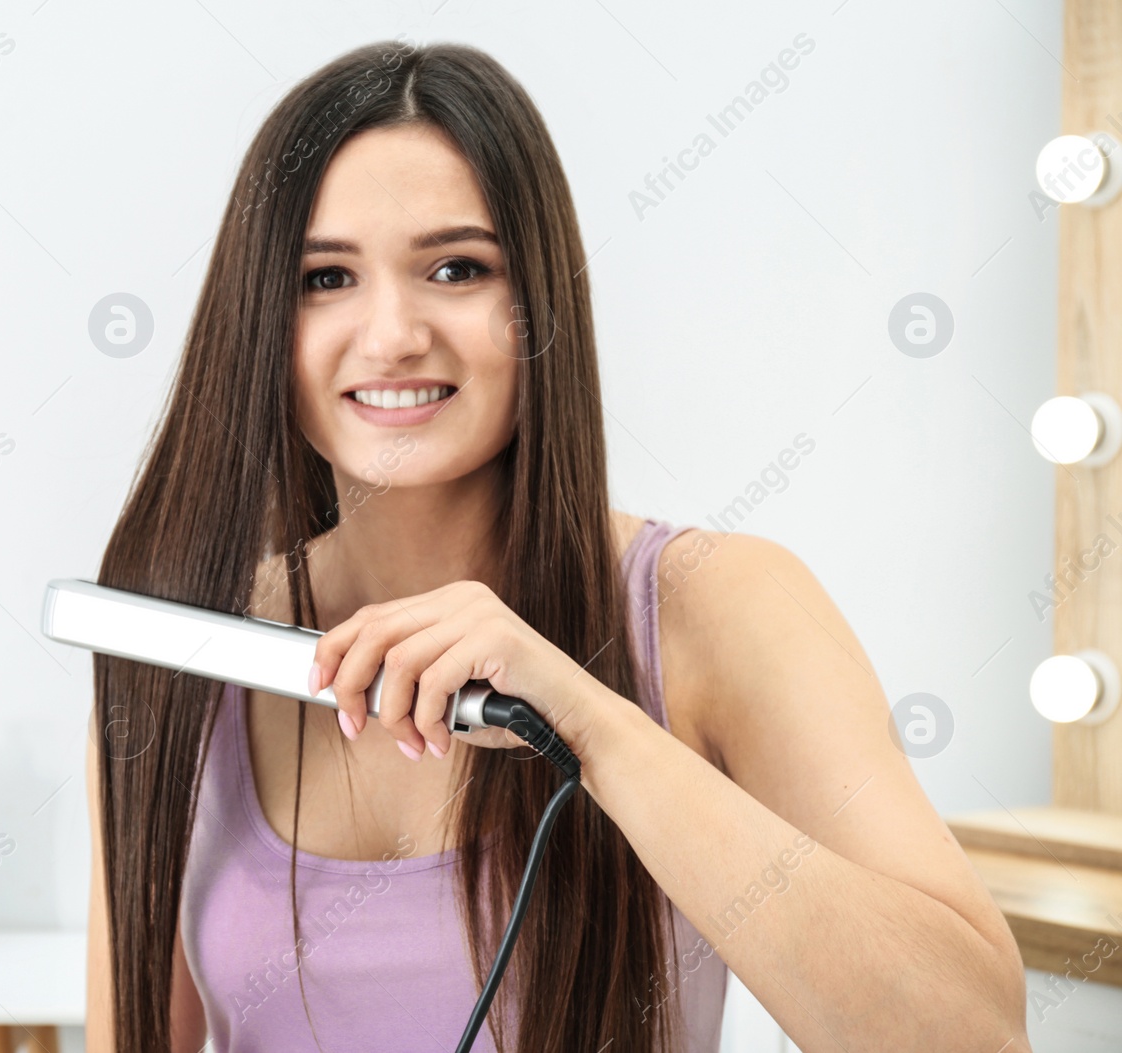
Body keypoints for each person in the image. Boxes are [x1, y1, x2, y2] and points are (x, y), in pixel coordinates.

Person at [85, 39, 1030, 1053]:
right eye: (325, 277)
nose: (393, 333)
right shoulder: (190, 647)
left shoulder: (721, 606)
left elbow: (969, 1034)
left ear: (539, 301)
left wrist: (592, 724)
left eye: (457, 268)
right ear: (258, 319)